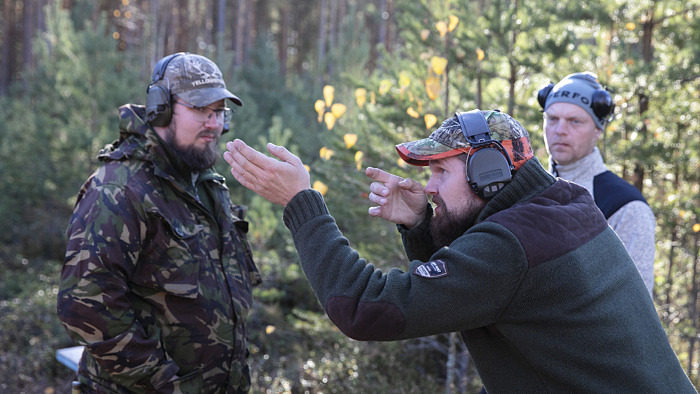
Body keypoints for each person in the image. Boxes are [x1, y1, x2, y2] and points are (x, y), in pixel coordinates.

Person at [223, 109, 695, 392]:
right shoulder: (565, 205)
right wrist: (420, 225)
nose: (427, 186)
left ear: (487, 174)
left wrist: (302, 205)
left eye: (441, 173)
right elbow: (482, 281)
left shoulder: (511, 246)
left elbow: (364, 308)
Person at [57, 52, 261, 393]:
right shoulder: (118, 189)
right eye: (200, 109)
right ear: (160, 109)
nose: (214, 123)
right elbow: (84, 306)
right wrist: (163, 384)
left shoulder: (208, 187)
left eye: (219, 112)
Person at [538, 72, 656, 295]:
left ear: (598, 130)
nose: (560, 129)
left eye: (575, 121)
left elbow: (635, 307)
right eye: (552, 119)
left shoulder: (626, 206)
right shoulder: (524, 192)